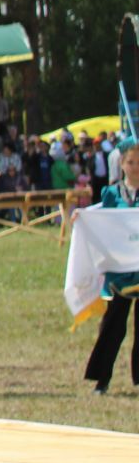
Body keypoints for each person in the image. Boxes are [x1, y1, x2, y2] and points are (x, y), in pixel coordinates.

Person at [84, 139, 139, 395]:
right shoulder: (112, 194)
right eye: (130, 162)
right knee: (113, 325)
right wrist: (81, 219)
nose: (135, 167)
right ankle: (101, 378)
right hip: (120, 269)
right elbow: (101, 223)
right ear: (122, 164)